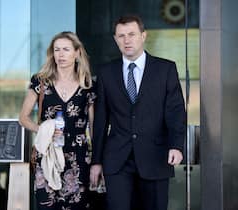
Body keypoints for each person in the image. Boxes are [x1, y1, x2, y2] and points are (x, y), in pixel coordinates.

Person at [90, 15, 186, 210]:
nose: (127, 40)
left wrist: (176, 145)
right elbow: (100, 120)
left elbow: (175, 112)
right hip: (117, 161)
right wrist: (96, 161)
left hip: (156, 157)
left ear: (143, 36)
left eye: (132, 34)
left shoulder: (165, 69)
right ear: (116, 39)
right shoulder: (106, 73)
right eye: (121, 35)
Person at [19, 31, 96, 210]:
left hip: (78, 158)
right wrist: (43, 129)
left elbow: (94, 127)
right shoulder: (41, 81)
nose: (60, 54)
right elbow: (23, 117)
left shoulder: (88, 85)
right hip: (47, 156)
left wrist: (98, 160)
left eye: (66, 49)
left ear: (77, 53)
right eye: (57, 50)